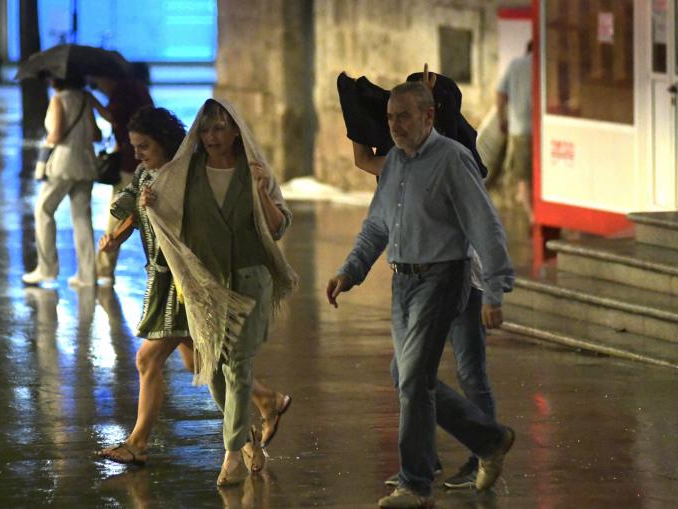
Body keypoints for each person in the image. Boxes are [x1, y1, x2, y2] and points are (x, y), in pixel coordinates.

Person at [326, 82, 516, 509]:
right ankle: (489, 439)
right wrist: (350, 270)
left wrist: (495, 291)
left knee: (413, 381)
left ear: (429, 116)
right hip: (403, 281)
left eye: (404, 117)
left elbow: (483, 225)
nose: (394, 126)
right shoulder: (394, 163)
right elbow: (377, 226)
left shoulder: (453, 159)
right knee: (406, 375)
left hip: (443, 277)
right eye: (391, 118)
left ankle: (414, 484)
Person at [96, 106, 292, 471]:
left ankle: (141, 442)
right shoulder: (149, 175)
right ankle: (264, 403)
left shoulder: (187, 174)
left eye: (144, 147)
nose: (137, 154)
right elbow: (131, 211)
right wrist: (115, 236)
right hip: (168, 281)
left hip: (189, 282)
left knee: (153, 359)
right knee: (203, 361)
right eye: (134, 147)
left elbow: (264, 225)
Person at [22, 75, 110, 288]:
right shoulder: (85, 99)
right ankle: (87, 275)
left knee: (43, 211)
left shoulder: (58, 99)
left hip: (63, 165)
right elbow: (97, 135)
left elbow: (57, 133)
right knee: (81, 217)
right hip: (86, 163)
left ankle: (47, 268)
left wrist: (45, 144)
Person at [89, 74, 154, 286]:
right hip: (136, 163)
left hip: (129, 166)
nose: (99, 87)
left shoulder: (123, 92)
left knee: (116, 213)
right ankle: (103, 269)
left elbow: (112, 116)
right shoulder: (138, 88)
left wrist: (92, 102)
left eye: (98, 81)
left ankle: (104, 270)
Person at [497, 42, 533, 223]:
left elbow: (500, 94)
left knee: (523, 176)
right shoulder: (542, 64)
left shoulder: (515, 65)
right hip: (541, 129)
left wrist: (501, 119)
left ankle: (532, 216)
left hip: (520, 129)